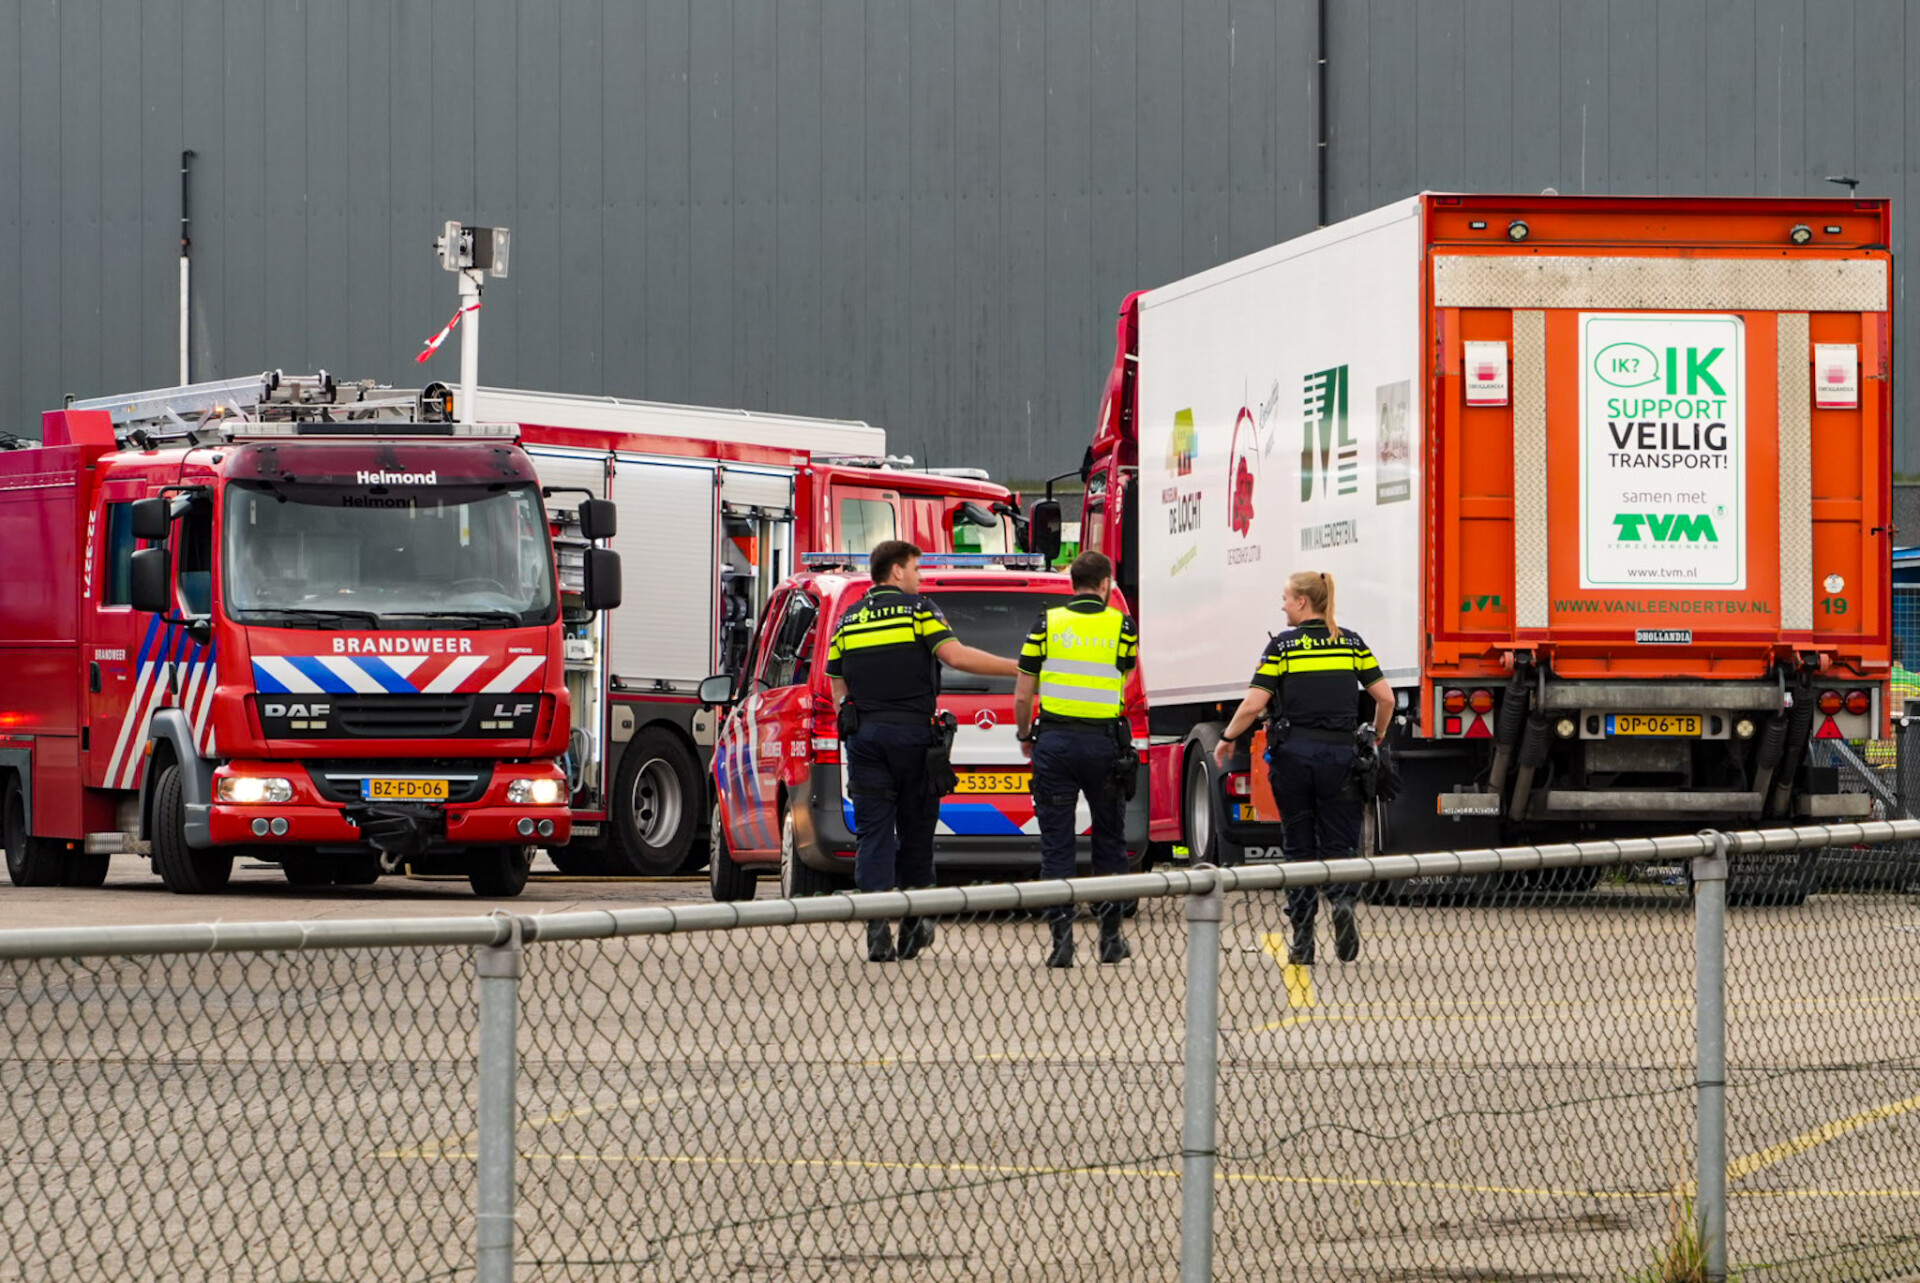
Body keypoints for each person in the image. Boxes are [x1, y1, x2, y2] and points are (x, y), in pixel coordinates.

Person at [827, 540, 1020, 963]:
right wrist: (1016, 668)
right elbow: (957, 656)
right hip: (913, 738)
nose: (919, 577)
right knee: (916, 833)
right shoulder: (919, 611)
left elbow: (835, 679)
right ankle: (915, 925)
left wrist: (853, 711)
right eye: (915, 568)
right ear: (896, 571)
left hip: (866, 740)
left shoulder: (849, 619)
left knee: (874, 836)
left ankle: (877, 929)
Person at [1213, 570, 1394, 965]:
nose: (1282, 606)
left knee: (1298, 848)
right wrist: (1374, 737)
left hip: (1294, 758)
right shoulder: (1350, 642)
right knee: (1339, 844)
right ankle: (1343, 902)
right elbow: (1386, 698)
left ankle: (1303, 941)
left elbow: (1254, 703)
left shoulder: (1283, 647)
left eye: (1285, 598)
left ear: (1302, 602)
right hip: (1341, 758)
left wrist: (1227, 738)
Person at [1012, 551, 1140, 968]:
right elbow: (1125, 673)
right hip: (1104, 745)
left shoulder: (1047, 623)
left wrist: (1025, 734)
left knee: (1057, 845)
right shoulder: (1122, 625)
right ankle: (1110, 939)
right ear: (1105, 584)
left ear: (1072, 583)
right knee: (1110, 840)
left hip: (1055, 744)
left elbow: (1022, 691)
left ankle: (1061, 944)